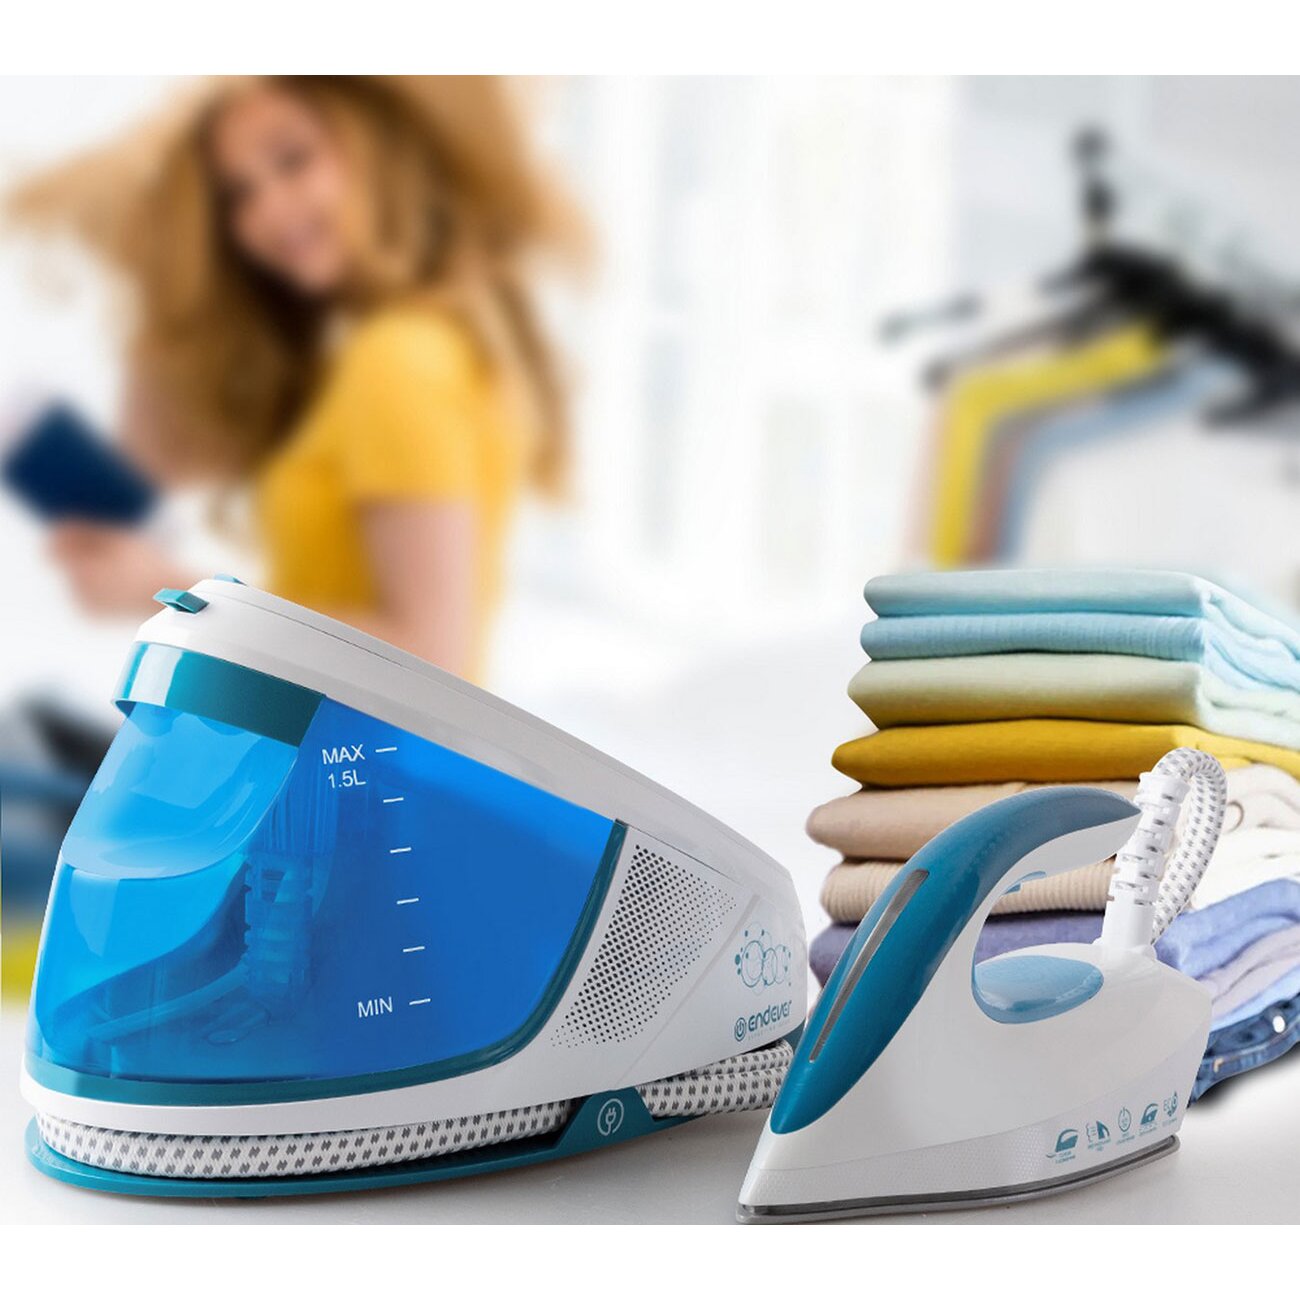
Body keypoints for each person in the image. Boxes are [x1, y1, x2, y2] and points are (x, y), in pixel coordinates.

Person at [10, 76, 584, 681]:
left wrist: (167, 589)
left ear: (377, 145)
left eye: (293, 160)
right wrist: (173, 283)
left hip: (347, 742)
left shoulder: (398, 359)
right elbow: (159, 454)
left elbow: (429, 657)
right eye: (239, 194)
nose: (269, 210)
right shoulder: (367, 354)